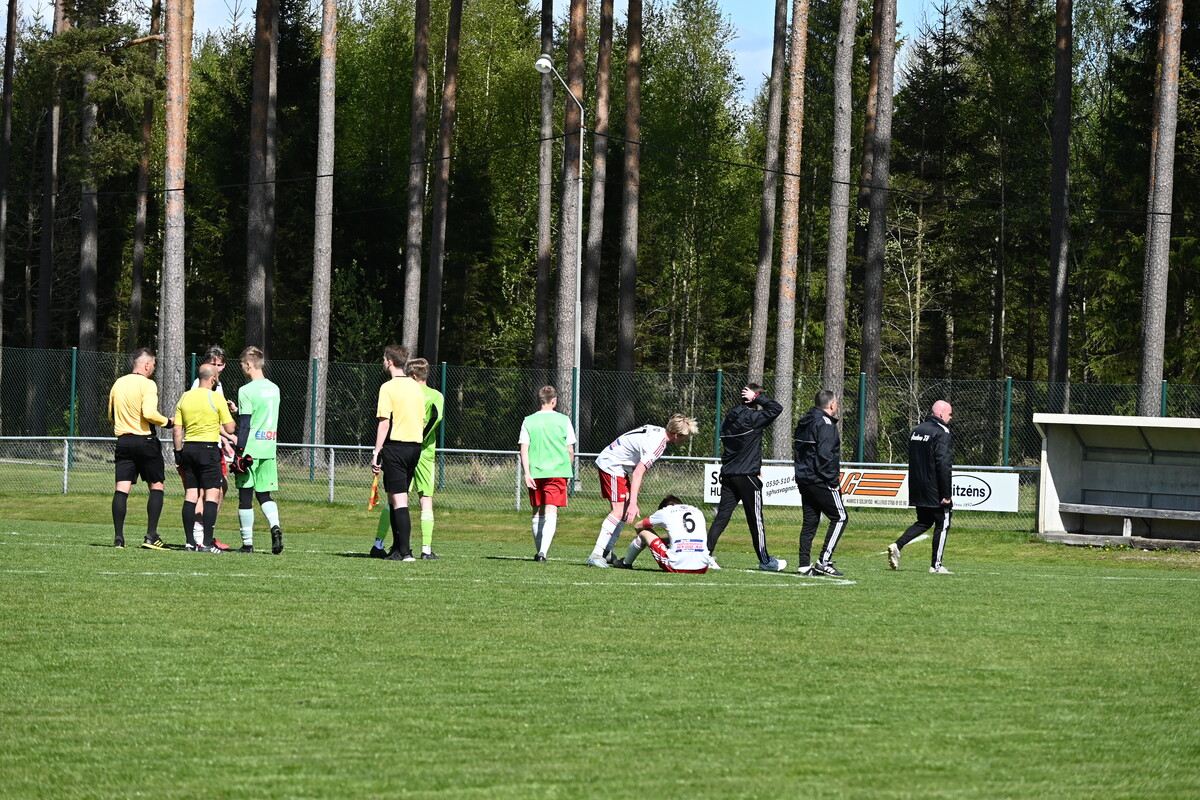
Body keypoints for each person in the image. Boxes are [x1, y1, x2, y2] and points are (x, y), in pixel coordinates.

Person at [587, 414, 700, 568]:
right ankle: (596, 554)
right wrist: (633, 503)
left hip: (617, 465)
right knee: (618, 511)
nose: (686, 439)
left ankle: (606, 552)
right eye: (686, 436)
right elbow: (638, 472)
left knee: (623, 512)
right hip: (612, 464)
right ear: (676, 435)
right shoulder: (658, 444)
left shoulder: (658, 431)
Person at [706, 383, 786, 572]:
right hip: (747, 476)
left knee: (721, 517)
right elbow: (776, 408)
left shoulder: (728, 419)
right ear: (753, 398)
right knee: (755, 520)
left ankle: (706, 554)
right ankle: (765, 561)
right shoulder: (752, 418)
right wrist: (758, 398)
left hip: (729, 474)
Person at [370, 358, 444, 559]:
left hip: (402, 447)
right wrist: (422, 438)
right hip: (422, 451)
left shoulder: (405, 390)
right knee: (425, 499)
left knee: (395, 498)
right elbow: (436, 418)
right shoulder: (435, 395)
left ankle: (380, 543)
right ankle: (425, 549)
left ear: (412, 375)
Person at [107, 348, 172, 550]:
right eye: (153, 365)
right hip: (145, 441)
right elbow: (150, 413)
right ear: (147, 364)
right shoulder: (148, 384)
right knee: (156, 486)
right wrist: (168, 422)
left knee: (121, 489)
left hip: (123, 441)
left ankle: (119, 538)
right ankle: (151, 536)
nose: (153, 369)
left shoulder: (118, 383)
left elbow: (111, 415)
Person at [174, 363, 236, 552]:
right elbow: (230, 428)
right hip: (208, 449)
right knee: (211, 494)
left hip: (189, 449)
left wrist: (178, 453)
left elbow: (177, 430)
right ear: (213, 378)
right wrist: (232, 414)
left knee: (191, 495)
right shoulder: (216, 398)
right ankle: (207, 543)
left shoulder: (185, 396)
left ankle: (189, 542)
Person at [889, 400, 955, 574]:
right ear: (941, 413)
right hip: (934, 487)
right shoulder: (942, 432)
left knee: (924, 522)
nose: (951, 417)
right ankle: (936, 565)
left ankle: (897, 545)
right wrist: (946, 494)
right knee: (943, 522)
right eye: (949, 414)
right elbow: (943, 464)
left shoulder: (916, 430)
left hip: (917, 486)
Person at [232, 346, 284, 554]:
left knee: (245, 496)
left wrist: (239, 452)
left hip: (250, 450)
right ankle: (275, 525)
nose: (242, 368)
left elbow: (246, 425)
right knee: (264, 494)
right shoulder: (274, 388)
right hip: (268, 448)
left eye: (242, 364)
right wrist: (238, 411)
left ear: (248, 364)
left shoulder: (246, 390)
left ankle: (247, 544)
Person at [793, 389, 849, 577]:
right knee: (840, 517)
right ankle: (824, 561)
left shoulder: (805, 421)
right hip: (820, 479)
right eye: (837, 403)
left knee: (810, 521)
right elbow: (825, 455)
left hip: (804, 478)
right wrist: (833, 480)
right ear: (832, 405)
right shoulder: (825, 424)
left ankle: (803, 564)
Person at [518, 385, 577, 562]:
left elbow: (524, 449)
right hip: (557, 471)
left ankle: (540, 552)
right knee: (551, 511)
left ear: (539, 401)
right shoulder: (564, 420)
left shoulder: (528, 421)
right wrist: (568, 472)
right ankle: (542, 552)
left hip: (536, 472)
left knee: (537, 512)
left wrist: (527, 473)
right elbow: (570, 451)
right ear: (554, 401)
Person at [613, 496, 711, 574]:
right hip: (702, 567)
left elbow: (638, 526)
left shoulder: (665, 511)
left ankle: (626, 563)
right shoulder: (697, 511)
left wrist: (646, 540)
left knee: (644, 532)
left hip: (677, 566)